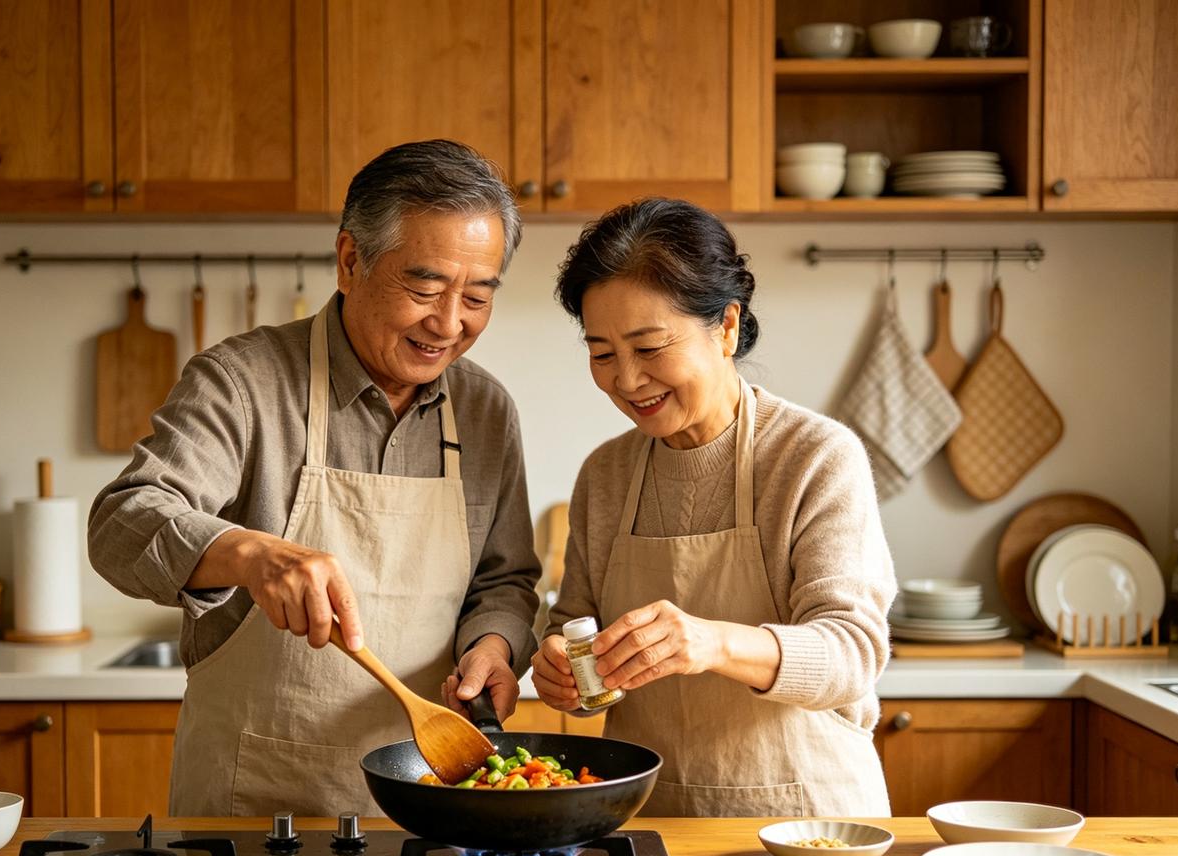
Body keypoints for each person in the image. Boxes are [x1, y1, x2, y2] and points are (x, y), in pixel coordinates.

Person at [89, 140, 540, 816]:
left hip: (425, 797)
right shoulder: (242, 382)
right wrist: (247, 553)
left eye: (477, 296)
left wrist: (494, 648)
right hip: (252, 804)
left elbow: (504, 580)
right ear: (351, 260)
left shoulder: (485, 411)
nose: (449, 323)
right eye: (424, 289)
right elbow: (122, 521)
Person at [531, 198, 896, 817]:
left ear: (726, 327)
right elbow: (574, 626)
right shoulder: (607, 475)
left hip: (808, 822)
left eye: (649, 348)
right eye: (601, 353)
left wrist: (711, 644)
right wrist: (560, 673)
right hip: (652, 823)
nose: (626, 379)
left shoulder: (815, 457)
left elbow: (851, 654)